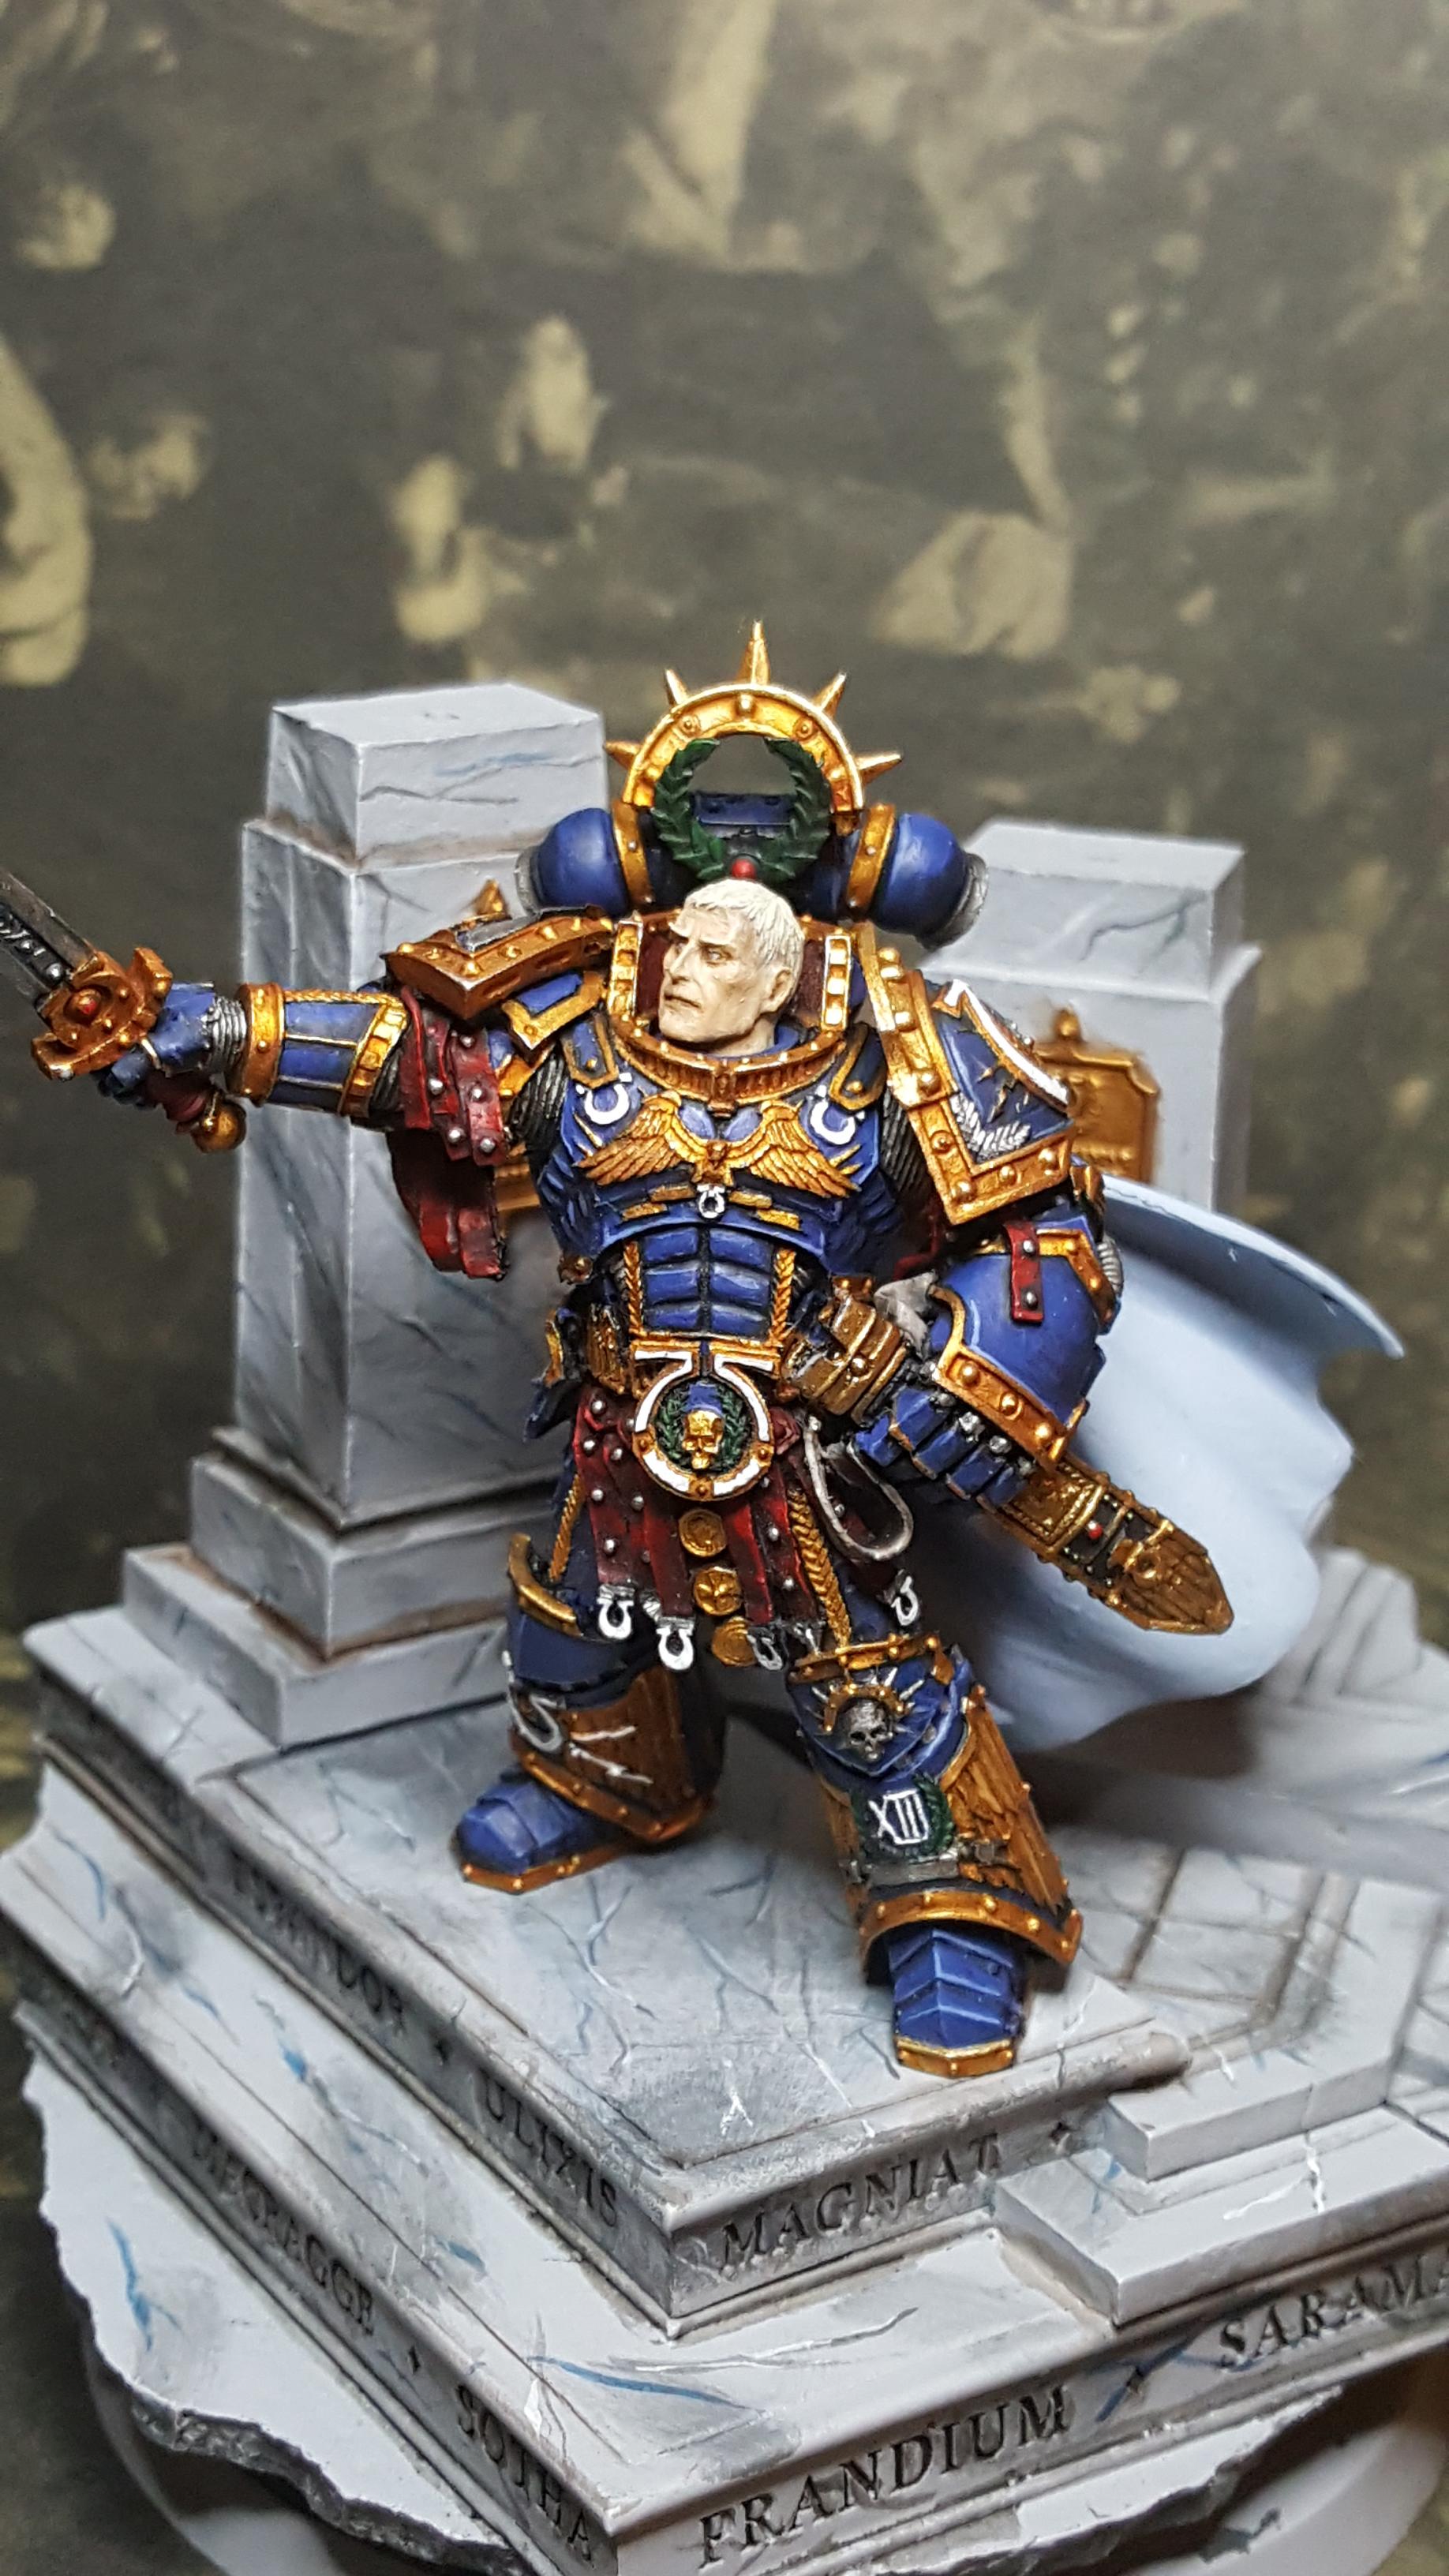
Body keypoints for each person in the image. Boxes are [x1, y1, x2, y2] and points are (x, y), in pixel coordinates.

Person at [64, 630, 1234, 2076]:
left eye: (716, 952)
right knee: (574, 1627)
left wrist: (973, 1379)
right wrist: (201, 1030)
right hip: (621, 1422)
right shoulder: (573, 1040)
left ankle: (953, 1905)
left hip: (805, 1438)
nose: (682, 962)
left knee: (861, 1678)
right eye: (674, 939)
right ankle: (612, 1786)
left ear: (785, 967)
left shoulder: (900, 1056)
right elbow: (384, 1054)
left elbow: (1050, 1229)